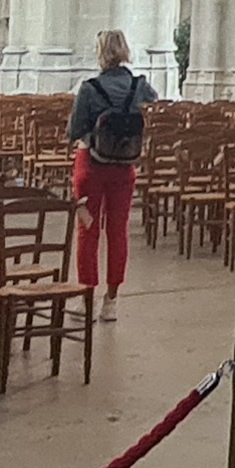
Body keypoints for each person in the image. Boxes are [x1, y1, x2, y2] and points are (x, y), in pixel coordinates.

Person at [68, 29, 151, 315]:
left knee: (87, 229)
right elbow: (153, 106)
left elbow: (74, 130)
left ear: (100, 52)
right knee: (118, 231)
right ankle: (111, 301)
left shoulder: (90, 88)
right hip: (124, 167)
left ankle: (86, 299)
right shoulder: (139, 85)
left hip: (91, 166)